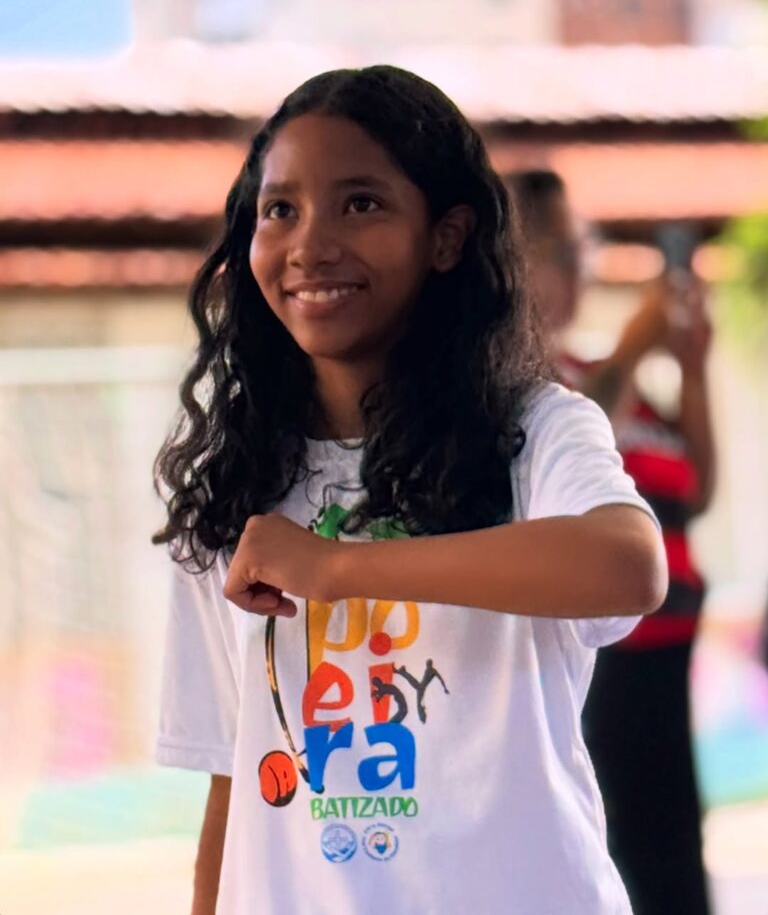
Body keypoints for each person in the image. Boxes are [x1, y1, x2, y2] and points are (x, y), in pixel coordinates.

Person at [152, 68, 667, 915]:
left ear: (447, 237)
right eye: (280, 210)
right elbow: (232, 778)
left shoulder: (534, 430)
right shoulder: (229, 481)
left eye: (360, 204)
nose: (311, 245)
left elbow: (627, 566)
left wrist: (338, 569)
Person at [507, 168, 715, 915]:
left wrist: (690, 368)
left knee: (675, 855)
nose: (580, 272)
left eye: (582, 252)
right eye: (565, 253)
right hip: (604, 663)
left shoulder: (604, 373)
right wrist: (635, 346)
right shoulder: (528, 387)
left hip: (668, 652)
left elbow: (695, 492)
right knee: (621, 855)